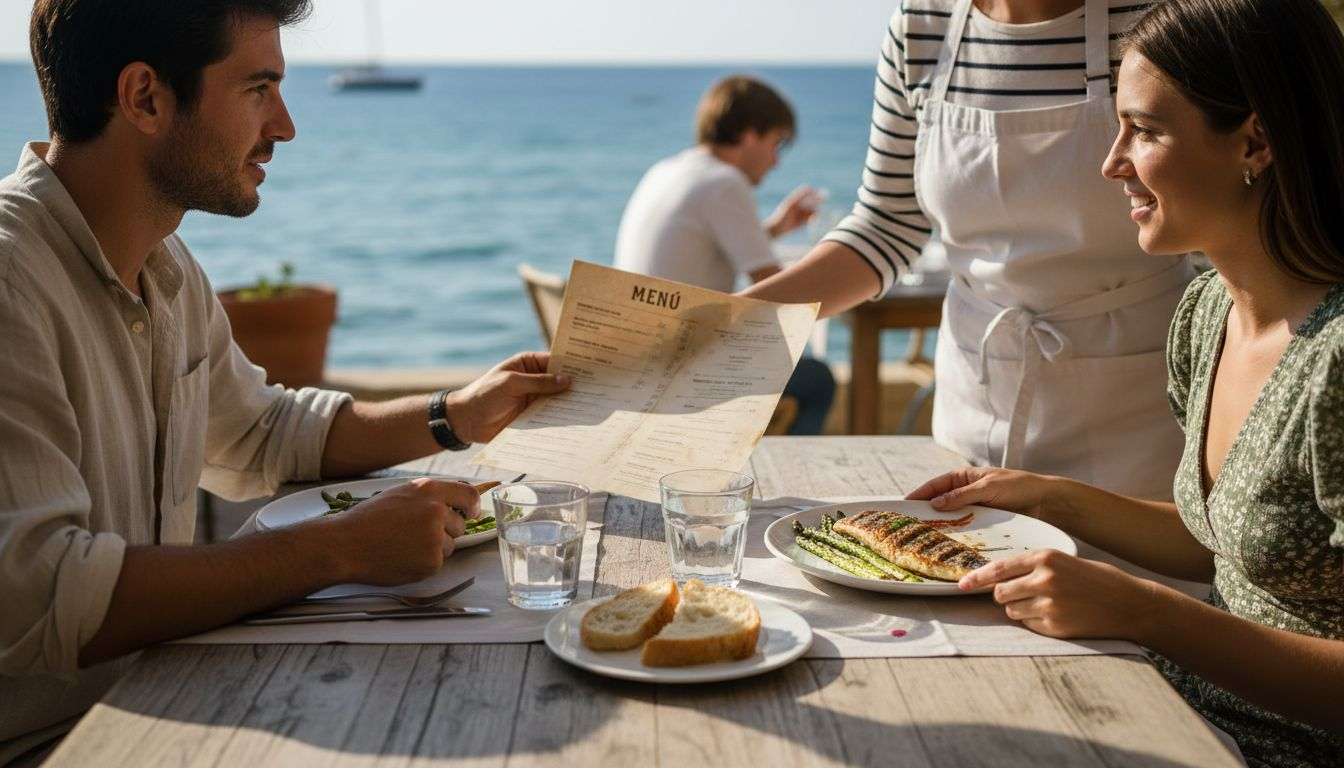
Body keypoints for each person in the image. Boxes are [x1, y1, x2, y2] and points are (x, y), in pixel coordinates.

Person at [0, 0, 570, 760]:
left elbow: (261, 432)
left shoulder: (166, 267)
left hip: (163, 698)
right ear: (145, 98)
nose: (285, 126)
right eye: (257, 89)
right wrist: (339, 549)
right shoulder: (11, 280)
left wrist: (455, 413)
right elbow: (39, 595)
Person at [907, 0, 1344, 763]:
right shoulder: (1206, 313)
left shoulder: (1334, 360)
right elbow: (1229, 543)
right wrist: (1045, 496)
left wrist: (1146, 613)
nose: (1111, 163)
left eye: (1143, 131)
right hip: (1180, 718)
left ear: (1255, 141)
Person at [741, 0, 1194, 499]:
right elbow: (886, 225)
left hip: (1138, 406)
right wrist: (731, 322)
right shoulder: (920, 27)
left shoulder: (1158, 15)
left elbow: (1218, 208)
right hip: (973, 405)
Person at [613, 75, 836, 435]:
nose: (776, 161)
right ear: (749, 135)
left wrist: (775, 228)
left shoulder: (667, 170)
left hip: (633, 364)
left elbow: (703, 245)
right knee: (817, 378)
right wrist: (844, 271)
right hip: (679, 375)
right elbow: (778, 292)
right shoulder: (725, 183)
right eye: (777, 143)